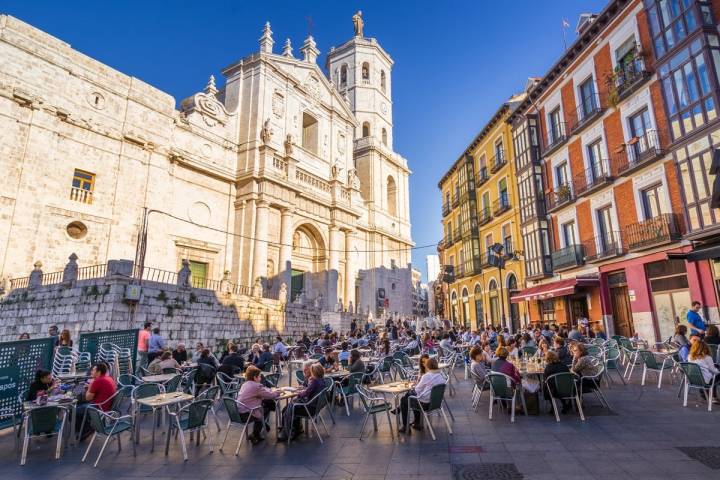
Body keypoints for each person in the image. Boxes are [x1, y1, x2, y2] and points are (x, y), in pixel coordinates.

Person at [277, 363, 326, 442]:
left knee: (289, 408)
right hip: (315, 407)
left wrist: (297, 393)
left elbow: (305, 393)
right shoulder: (322, 380)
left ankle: (287, 432)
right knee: (290, 406)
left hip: (309, 408)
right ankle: (294, 429)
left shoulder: (315, 382)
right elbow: (308, 391)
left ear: (314, 372)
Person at [396, 357, 445, 433]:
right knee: (411, 397)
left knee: (404, 400)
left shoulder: (427, 376)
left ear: (428, 366)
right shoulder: (441, 375)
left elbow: (417, 390)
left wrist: (414, 387)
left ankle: (406, 427)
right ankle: (416, 423)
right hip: (436, 404)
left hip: (425, 404)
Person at [236, 365, 280, 444]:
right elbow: (271, 395)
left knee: (263, 407)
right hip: (247, 414)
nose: (261, 378)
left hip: (237, 413)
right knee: (266, 408)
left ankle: (257, 433)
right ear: (255, 377)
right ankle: (256, 433)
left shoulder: (245, 384)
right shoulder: (256, 386)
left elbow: (261, 392)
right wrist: (278, 392)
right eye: (260, 376)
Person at [77, 363, 117, 440]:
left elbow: (88, 398)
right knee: (80, 404)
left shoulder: (98, 381)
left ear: (98, 372)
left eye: (93, 370)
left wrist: (90, 387)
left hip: (98, 408)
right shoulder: (109, 378)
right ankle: (87, 427)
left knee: (73, 410)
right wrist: (91, 387)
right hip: (106, 406)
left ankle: (86, 429)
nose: (91, 372)